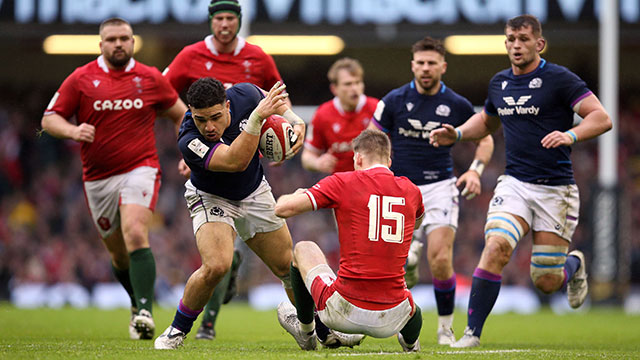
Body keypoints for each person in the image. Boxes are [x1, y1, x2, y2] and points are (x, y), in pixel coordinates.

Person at [429, 14, 612, 348]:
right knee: (496, 246)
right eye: (511, 39)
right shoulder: (500, 83)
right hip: (515, 184)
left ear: (539, 44)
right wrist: (455, 133)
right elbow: (486, 121)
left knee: (545, 281)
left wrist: (570, 134)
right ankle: (472, 334)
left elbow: (601, 118)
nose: (516, 45)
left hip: (556, 190)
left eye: (523, 39)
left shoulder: (560, 79)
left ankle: (573, 265)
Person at [41, 18, 187, 340]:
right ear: (101, 45)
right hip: (97, 179)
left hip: (141, 167)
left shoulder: (149, 78)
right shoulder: (81, 79)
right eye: (111, 39)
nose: (118, 44)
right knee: (119, 254)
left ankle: (146, 311)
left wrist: (187, 156)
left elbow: (180, 113)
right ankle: (137, 304)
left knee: (136, 232)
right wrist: (73, 130)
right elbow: (49, 119)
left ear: (133, 42)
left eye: (124, 38)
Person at [163, 0, 298, 340]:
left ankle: (314, 329)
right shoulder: (188, 140)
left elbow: (280, 105)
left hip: (253, 189)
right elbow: (234, 161)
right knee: (217, 265)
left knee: (288, 268)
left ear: (227, 103)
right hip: (211, 194)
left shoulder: (247, 92)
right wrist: (255, 120)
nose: (208, 126)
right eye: (199, 118)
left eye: (215, 117)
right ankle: (177, 331)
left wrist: (297, 126)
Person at [368, 36, 494, 345]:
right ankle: (401, 320)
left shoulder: (457, 104)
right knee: (392, 263)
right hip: (399, 189)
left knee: (439, 259)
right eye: (420, 63)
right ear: (413, 65)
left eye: (431, 63)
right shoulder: (393, 101)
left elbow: (486, 138)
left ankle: (445, 328)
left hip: (440, 186)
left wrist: (475, 171)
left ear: (443, 67)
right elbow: (371, 139)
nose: (425, 68)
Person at [274, 129, 425, 352]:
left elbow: (282, 209)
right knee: (413, 309)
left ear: (359, 158)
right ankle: (410, 344)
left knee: (304, 248)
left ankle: (306, 331)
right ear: (389, 160)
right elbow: (415, 223)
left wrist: (296, 194)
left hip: (344, 311)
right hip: (393, 317)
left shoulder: (343, 182)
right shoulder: (412, 191)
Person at [301, 57, 378, 174]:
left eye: (357, 82)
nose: (354, 88)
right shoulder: (322, 114)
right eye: (348, 84)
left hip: (374, 181)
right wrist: (318, 163)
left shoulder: (376, 109)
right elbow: (307, 156)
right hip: (340, 184)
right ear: (334, 89)